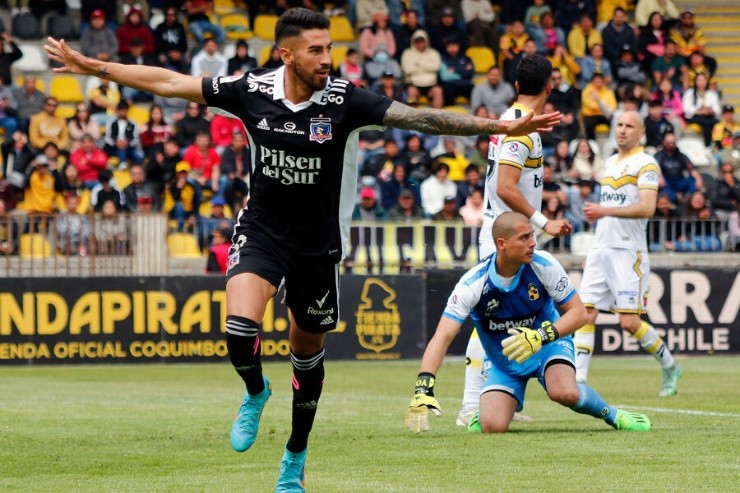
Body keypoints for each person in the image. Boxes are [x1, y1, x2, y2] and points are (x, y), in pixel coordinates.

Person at [45, 9, 560, 491]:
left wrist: (495, 126)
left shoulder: (344, 100)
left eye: (329, 48)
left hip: (317, 247)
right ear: (286, 54)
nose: (327, 59)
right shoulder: (251, 91)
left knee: (306, 358)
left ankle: (294, 456)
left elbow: (419, 118)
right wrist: (97, 68)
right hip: (262, 233)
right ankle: (255, 391)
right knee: (239, 330)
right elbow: (169, 82)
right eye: (316, 50)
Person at [404, 211, 652, 434]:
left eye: (532, 235)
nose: (533, 243)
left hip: (548, 346)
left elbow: (579, 314)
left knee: (564, 392)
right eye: (524, 238)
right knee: (492, 427)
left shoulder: (544, 265)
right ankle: (494, 405)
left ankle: (614, 415)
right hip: (505, 361)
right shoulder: (472, 284)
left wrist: (540, 336)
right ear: (501, 244)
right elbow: (442, 337)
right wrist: (423, 387)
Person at [460, 55, 572, 428]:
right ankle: (470, 406)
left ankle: (492, 399)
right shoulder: (521, 127)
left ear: (518, 85)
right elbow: (505, 187)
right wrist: (543, 221)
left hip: (506, 233)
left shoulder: (514, 120)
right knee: (489, 318)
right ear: (550, 86)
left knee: (499, 318)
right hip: (503, 235)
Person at [572, 111, 683, 397]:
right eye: (619, 125)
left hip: (628, 252)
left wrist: (604, 211)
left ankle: (670, 366)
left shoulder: (646, 163)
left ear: (641, 133)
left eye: (629, 126)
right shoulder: (610, 161)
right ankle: (578, 382)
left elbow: (647, 208)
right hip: (602, 249)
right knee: (585, 313)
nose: (622, 130)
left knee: (629, 322)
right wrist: (596, 246)